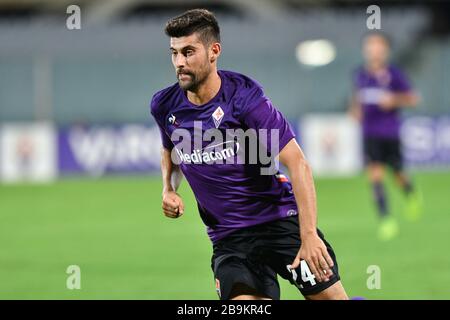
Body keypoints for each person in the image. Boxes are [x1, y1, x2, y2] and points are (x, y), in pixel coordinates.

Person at [151, 9, 348, 300]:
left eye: (189, 52)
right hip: (230, 240)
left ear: (213, 51)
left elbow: (298, 163)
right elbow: (170, 148)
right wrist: (168, 188)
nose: (180, 62)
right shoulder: (165, 105)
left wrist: (308, 235)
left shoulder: (245, 98)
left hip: (280, 221)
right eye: (174, 53)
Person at [349, 32, 422, 241]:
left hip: (390, 133)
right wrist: (354, 111)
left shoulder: (394, 74)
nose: (374, 50)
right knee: (375, 176)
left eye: (378, 46)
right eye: (370, 46)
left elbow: (414, 98)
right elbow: (356, 98)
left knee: (398, 174)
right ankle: (386, 219)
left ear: (385, 50)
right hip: (370, 135)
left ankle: (410, 192)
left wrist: (394, 99)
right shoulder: (360, 75)